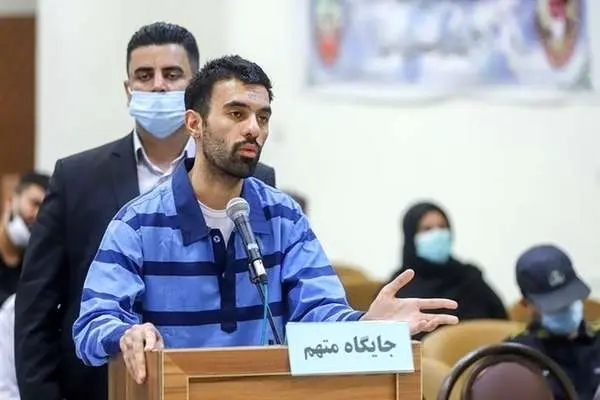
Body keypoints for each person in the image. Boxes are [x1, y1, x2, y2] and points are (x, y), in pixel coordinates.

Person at [72, 55, 459, 384]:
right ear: (194, 124)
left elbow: (318, 313)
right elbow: (92, 324)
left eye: (262, 117)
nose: (253, 129)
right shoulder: (138, 223)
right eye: (236, 114)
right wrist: (125, 334)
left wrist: (366, 326)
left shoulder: (282, 216)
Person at [14, 22, 276, 400]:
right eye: (144, 75)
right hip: (100, 385)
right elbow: (36, 305)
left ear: (194, 91)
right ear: (128, 90)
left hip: (208, 384)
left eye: (172, 74)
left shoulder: (254, 178)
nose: (158, 86)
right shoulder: (77, 177)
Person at [385, 201, 507, 340]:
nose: (437, 234)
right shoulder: (398, 288)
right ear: (410, 236)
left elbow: (502, 324)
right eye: (427, 229)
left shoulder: (470, 277)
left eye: (442, 227)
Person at [507, 244, 600, 400]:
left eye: (569, 298)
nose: (565, 308)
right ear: (527, 305)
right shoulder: (514, 358)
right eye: (554, 306)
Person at [0, 172, 49, 305]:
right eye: (34, 203)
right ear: (11, 202)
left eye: (45, 209)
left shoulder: (37, 265)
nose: (37, 214)